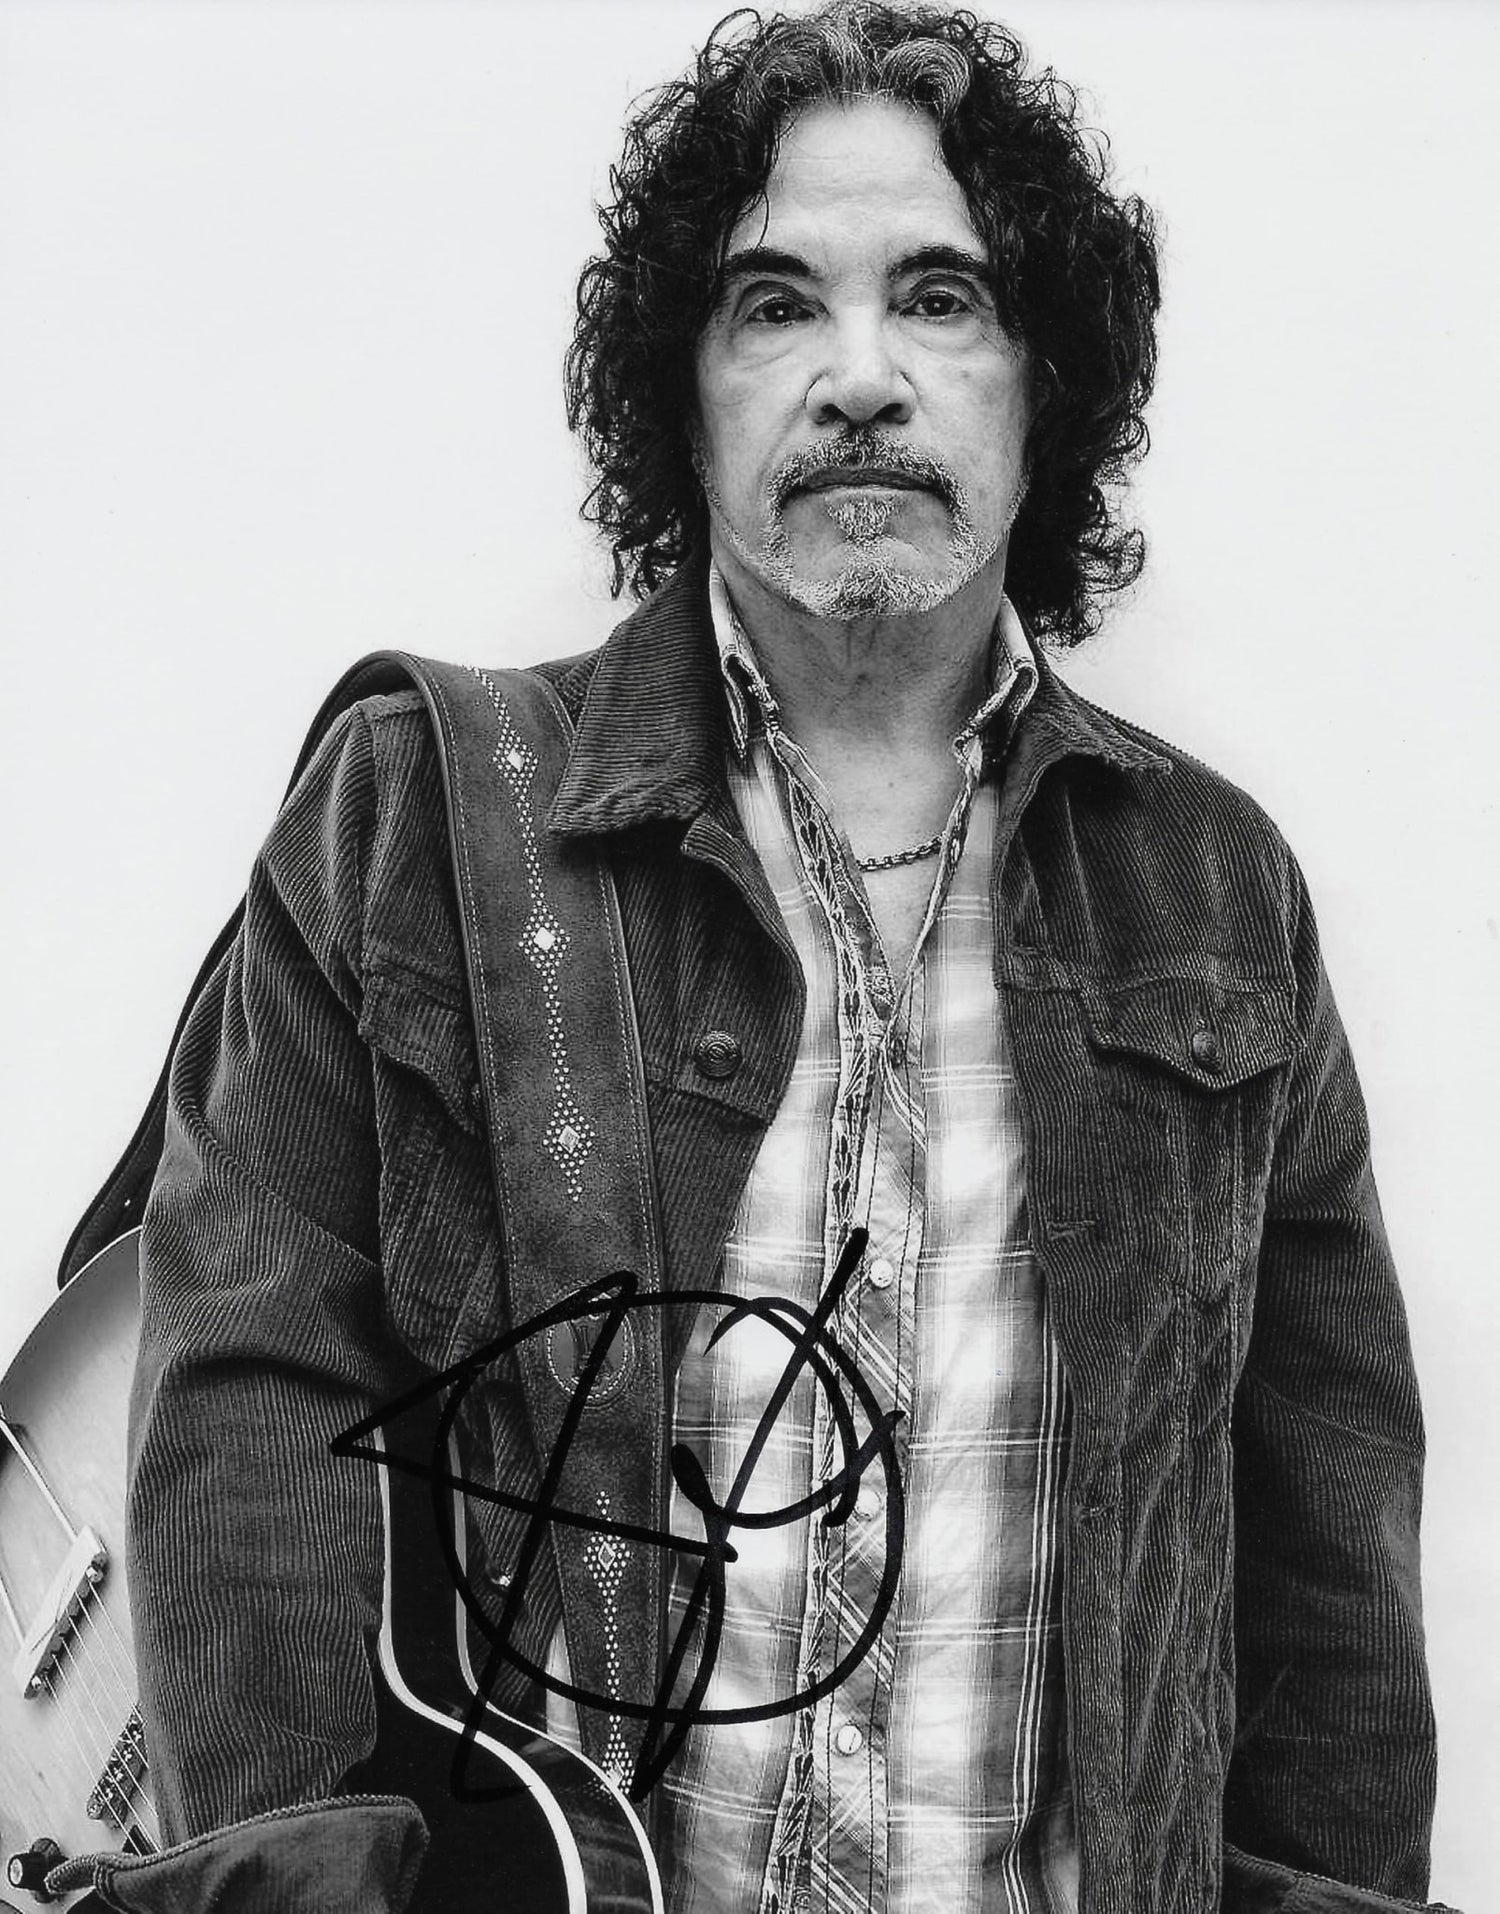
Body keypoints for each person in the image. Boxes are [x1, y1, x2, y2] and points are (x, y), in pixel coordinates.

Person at [55, 4, 1447, 1911]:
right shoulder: (417, 815)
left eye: (942, 297)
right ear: (683, 392)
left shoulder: (1215, 891)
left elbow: (1328, 1582)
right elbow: (246, 1446)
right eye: (776, 304)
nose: (861, 377)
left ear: (1044, 386)